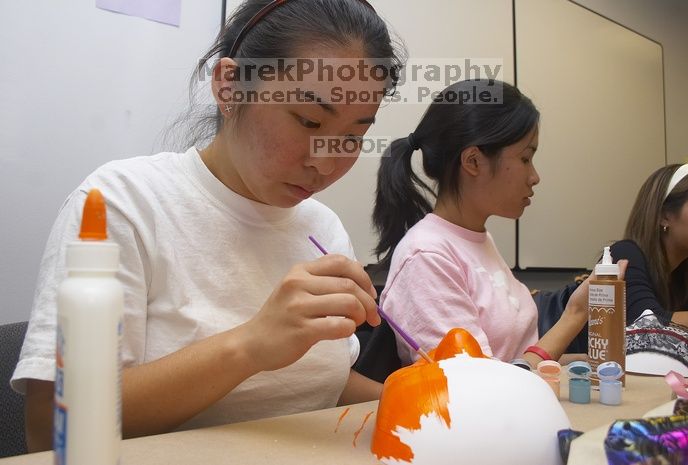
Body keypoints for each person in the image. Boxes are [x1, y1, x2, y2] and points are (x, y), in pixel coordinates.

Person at [12, 0, 404, 451]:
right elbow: (50, 427)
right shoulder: (122, 204)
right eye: (309, 120)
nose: (325, 161)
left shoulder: (323, 227)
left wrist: (438, 395)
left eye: (352, 137)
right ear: (229, 86)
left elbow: (322, 387)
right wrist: (250, 346)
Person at [372, 79, 626, 369]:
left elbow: (512, 357)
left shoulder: (478, 239)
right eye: (525, 158)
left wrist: (583, 359)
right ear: (473, 161)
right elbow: (479, 385)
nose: (535, 176)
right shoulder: (427, 257)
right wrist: (575, 314)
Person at [612, 163, 688, 337]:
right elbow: (646, 326)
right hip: (549, 351)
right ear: (664, 215)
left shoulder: (685, 273)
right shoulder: (624, 256)